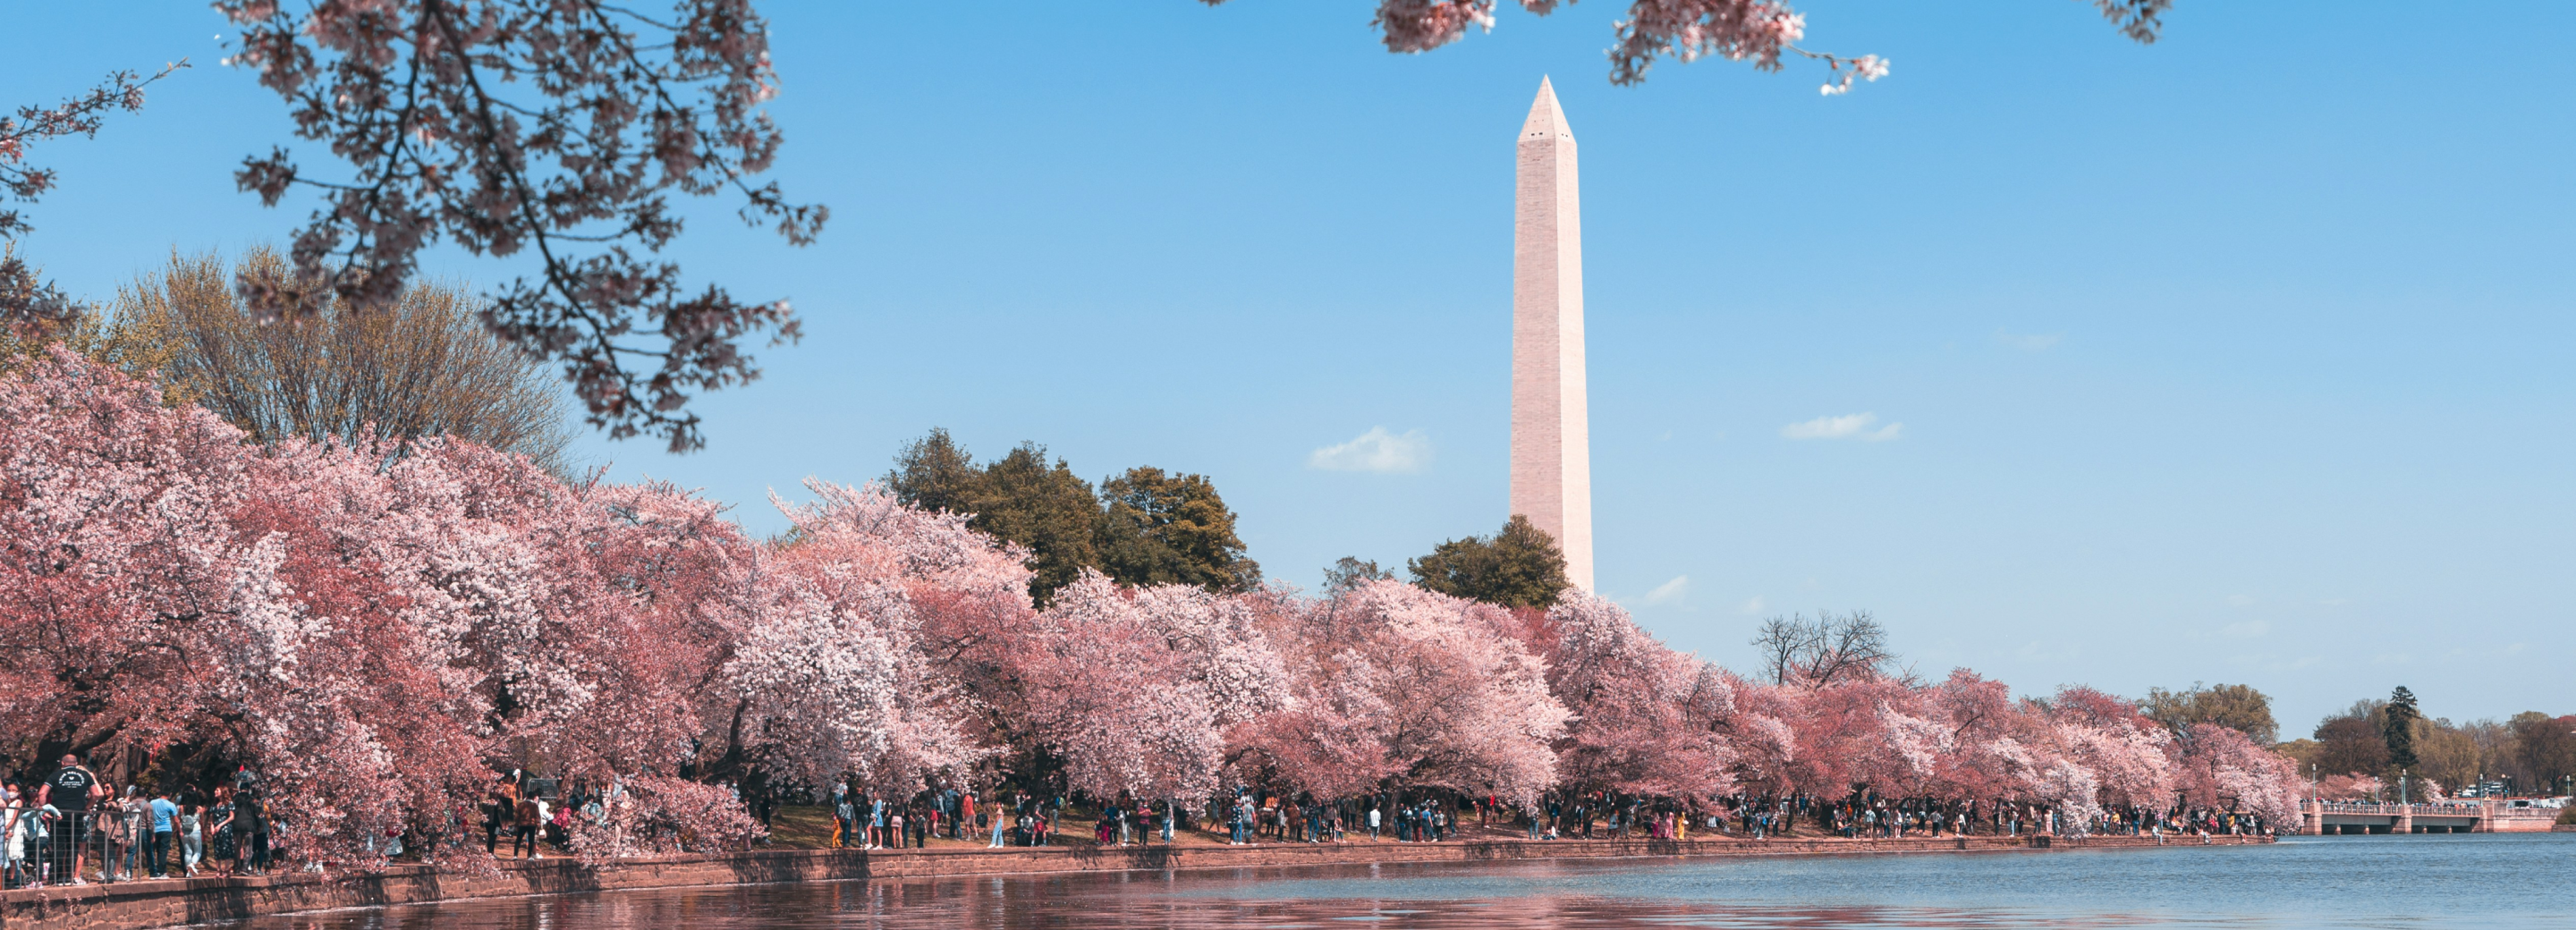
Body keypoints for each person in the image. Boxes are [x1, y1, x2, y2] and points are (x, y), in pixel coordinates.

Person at [37, 755, 103, 884]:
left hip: (59, 814)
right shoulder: (85, 775)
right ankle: (69, 878)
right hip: (77, 815)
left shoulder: (55, 775)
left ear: (62, 763)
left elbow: (41, 793)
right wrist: (86, 807)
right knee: (73, 847)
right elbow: (95, 794)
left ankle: (56, 877)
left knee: (58, 847)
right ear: (76, 763)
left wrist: (44, 809)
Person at [146, 790, 177, 878]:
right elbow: (175, 818)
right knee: (163, 851)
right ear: (170, 794)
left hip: (155, 829)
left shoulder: (152, 802)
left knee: (154, 850)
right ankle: (162, 871)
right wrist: (178, 830)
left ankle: (154, 870)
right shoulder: (171, 805)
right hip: (166, 829)